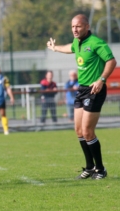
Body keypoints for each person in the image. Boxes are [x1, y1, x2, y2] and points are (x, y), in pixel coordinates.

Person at [47, 14, 116, 179]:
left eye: (78, 26)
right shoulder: (78, 43)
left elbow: (111, 61)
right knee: (79, 130)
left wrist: (101, 80)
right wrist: (55, 48)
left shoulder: (96, 43)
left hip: (95, 90)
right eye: (72, 27)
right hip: (82, 89)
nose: (75, 30)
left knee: (87, 131)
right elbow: (69, 47)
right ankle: (90, 167)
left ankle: (100, 169)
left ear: (87, 26)